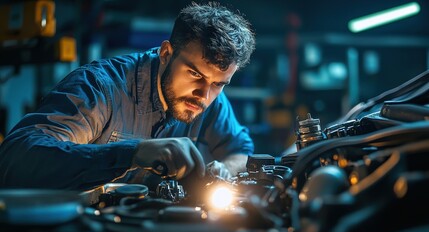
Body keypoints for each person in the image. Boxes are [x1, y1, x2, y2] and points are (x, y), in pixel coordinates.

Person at [0, 2, 256, 191]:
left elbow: (240, 150)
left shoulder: (208, 98)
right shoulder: (101, 89)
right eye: (193, 73)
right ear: (166, 53)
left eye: (219, 84)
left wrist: (224, 169)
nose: (204, 94)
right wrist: (132, 153)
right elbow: (15, 160)